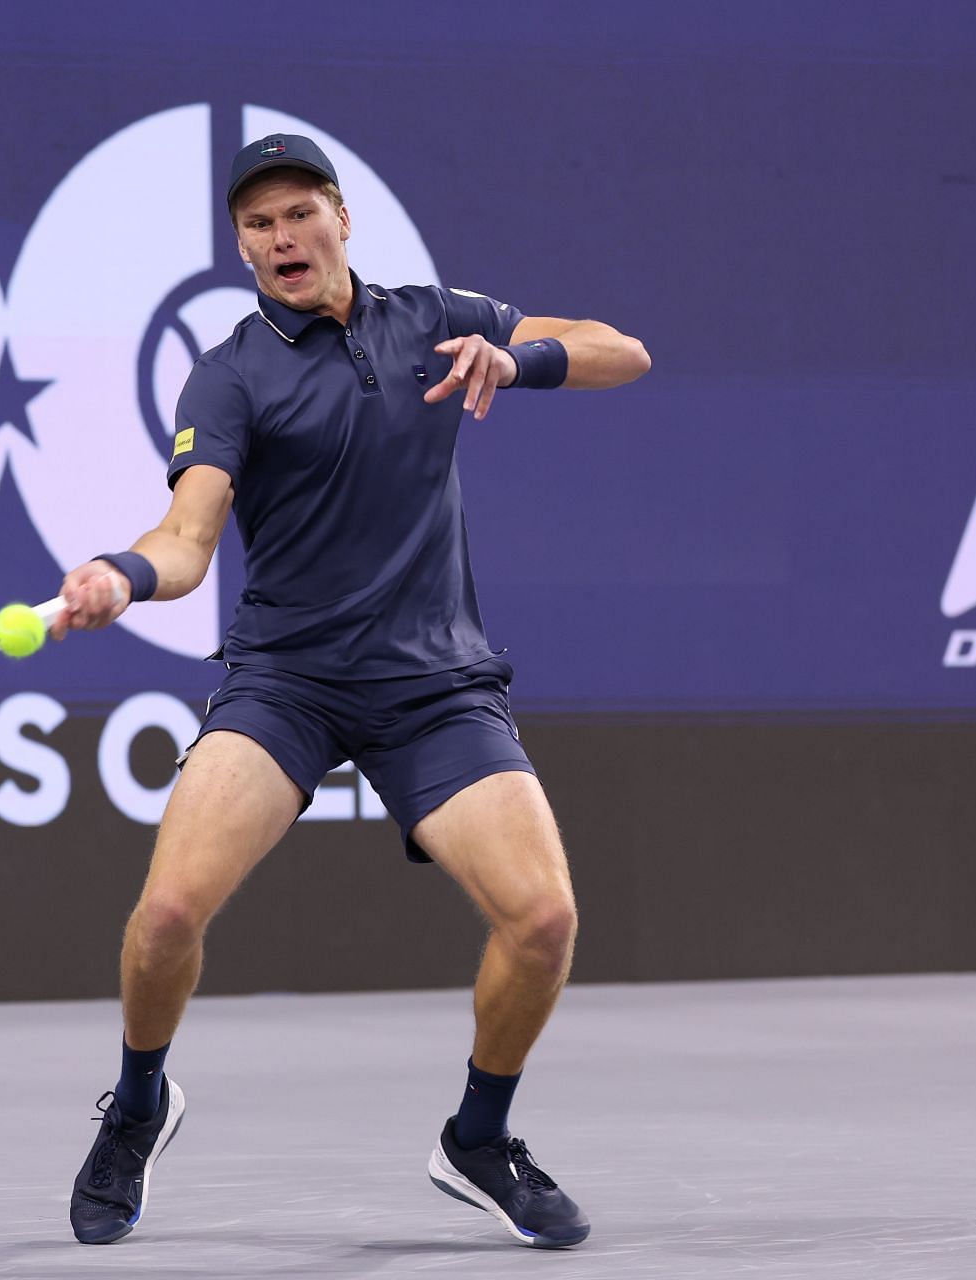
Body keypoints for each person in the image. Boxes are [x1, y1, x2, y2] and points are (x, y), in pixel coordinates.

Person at [54, 133, 649, 1249]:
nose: (278, 239)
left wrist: (520, 362)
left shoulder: (435, 316)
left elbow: (624, 351)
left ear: (340, 215)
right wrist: (123, 577)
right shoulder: (228, 372)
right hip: (289, 681)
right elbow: (187, 536)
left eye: (295, 214)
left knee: (544, 916)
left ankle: (478, 1136)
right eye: (255, 225)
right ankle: (138, 1102)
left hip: (435, 686)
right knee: (168, 911)